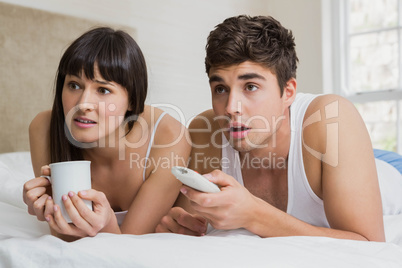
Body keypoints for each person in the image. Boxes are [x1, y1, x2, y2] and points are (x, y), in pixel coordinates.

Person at [155, 15, 402, 241]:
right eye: (221, 88)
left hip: (388, 168)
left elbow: (369, 244)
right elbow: (185, 220)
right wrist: (179, 225)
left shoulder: (331, 119)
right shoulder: (206, 130)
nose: (231, 107)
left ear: (288, 92)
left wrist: (255, 215)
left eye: (250, 86)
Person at [23, 27, 191, 241]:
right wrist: (50, 212)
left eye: (103, 90)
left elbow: (128, 249)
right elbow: (64, 239)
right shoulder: (44, 128)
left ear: (131, 99)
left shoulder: (169, 135)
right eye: (74, 85)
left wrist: (107, 224)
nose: (83, 104)